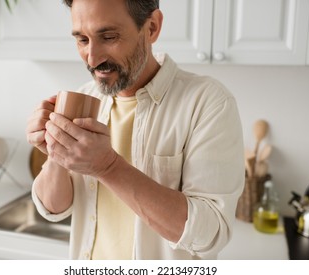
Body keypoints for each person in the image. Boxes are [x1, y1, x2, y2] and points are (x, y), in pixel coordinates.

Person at [26, 0, 244, 260]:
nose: (92, 58)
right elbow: (54, 208)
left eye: (108, 36)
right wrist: (57, 152)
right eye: (82, 40)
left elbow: (210, 235)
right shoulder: (85, 98)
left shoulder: (207, 102)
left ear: (152, 27)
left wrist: (107, 167)